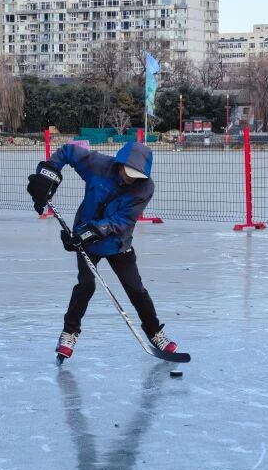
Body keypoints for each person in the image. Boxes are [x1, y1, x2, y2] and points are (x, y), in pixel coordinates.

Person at [27, 140, 180, 364]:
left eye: (135, 175)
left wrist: (91, 232)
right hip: (85, 242)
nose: (129, 178)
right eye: (127, 172)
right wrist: (49, 173)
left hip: (118, 243)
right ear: (119, 163)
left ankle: (154, 332)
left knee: (136, 289)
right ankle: (70, 333)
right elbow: (68, 151)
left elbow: (123, 220)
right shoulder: (98, 165)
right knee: (86, 285)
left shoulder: (145, 188)